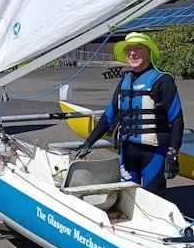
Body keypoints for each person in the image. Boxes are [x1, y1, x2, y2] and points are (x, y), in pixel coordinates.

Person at [73, 32, 182, 196]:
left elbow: (177, 120)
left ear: (149, 52)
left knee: (153, 199)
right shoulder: (125, 80)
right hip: (128, 152)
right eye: (128, 50)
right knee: (126, 197)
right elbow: (108, 116)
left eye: (138, 49)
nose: (132, 53)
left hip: (154, 154)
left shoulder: (163, 81)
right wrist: (87, 144)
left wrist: (172, 155)